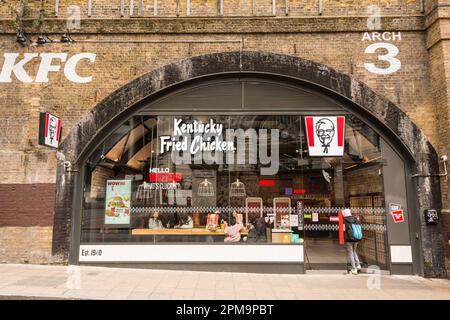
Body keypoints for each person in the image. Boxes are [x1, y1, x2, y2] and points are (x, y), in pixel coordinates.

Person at [342, 208, 362, 275]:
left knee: (350, 253)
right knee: (354, 251)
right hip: (356, 238)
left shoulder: (344, 220)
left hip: (349, 239)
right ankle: (358, 265)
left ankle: (354, 269)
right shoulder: (355, 219)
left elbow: (343, 230)